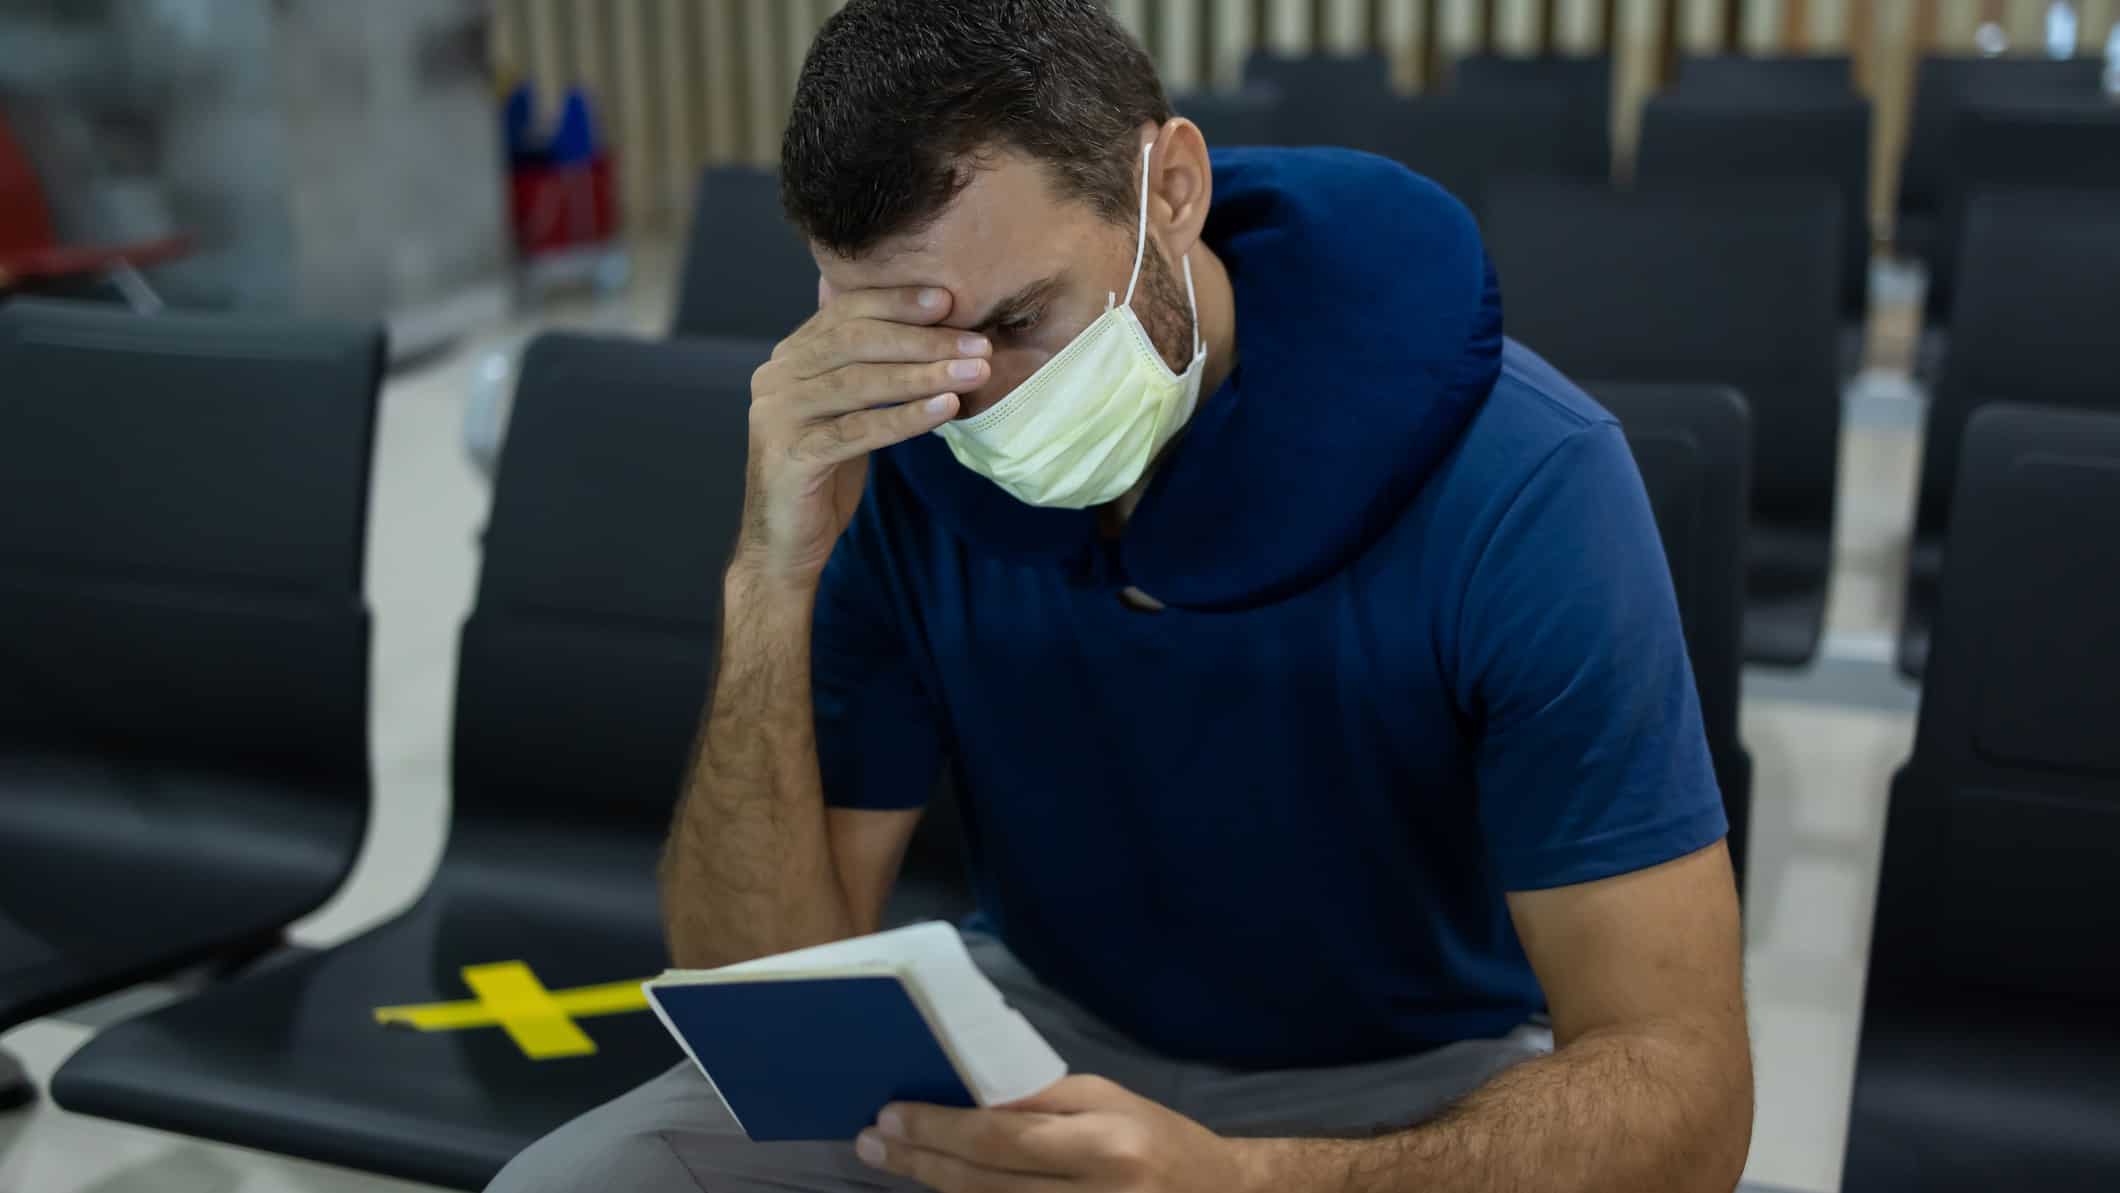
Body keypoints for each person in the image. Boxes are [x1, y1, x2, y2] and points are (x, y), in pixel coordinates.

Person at [489, 1, 1751, 1190]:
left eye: (1024, 318)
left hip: (1408, 1077)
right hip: (1029, 1028)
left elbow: (1690, 1098)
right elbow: (769, 1007)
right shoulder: (900, 461)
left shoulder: (1525, 481)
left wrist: (1236, 1178)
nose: (975, 402)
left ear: (1173, 190)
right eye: (919, 340)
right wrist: (772, 572)